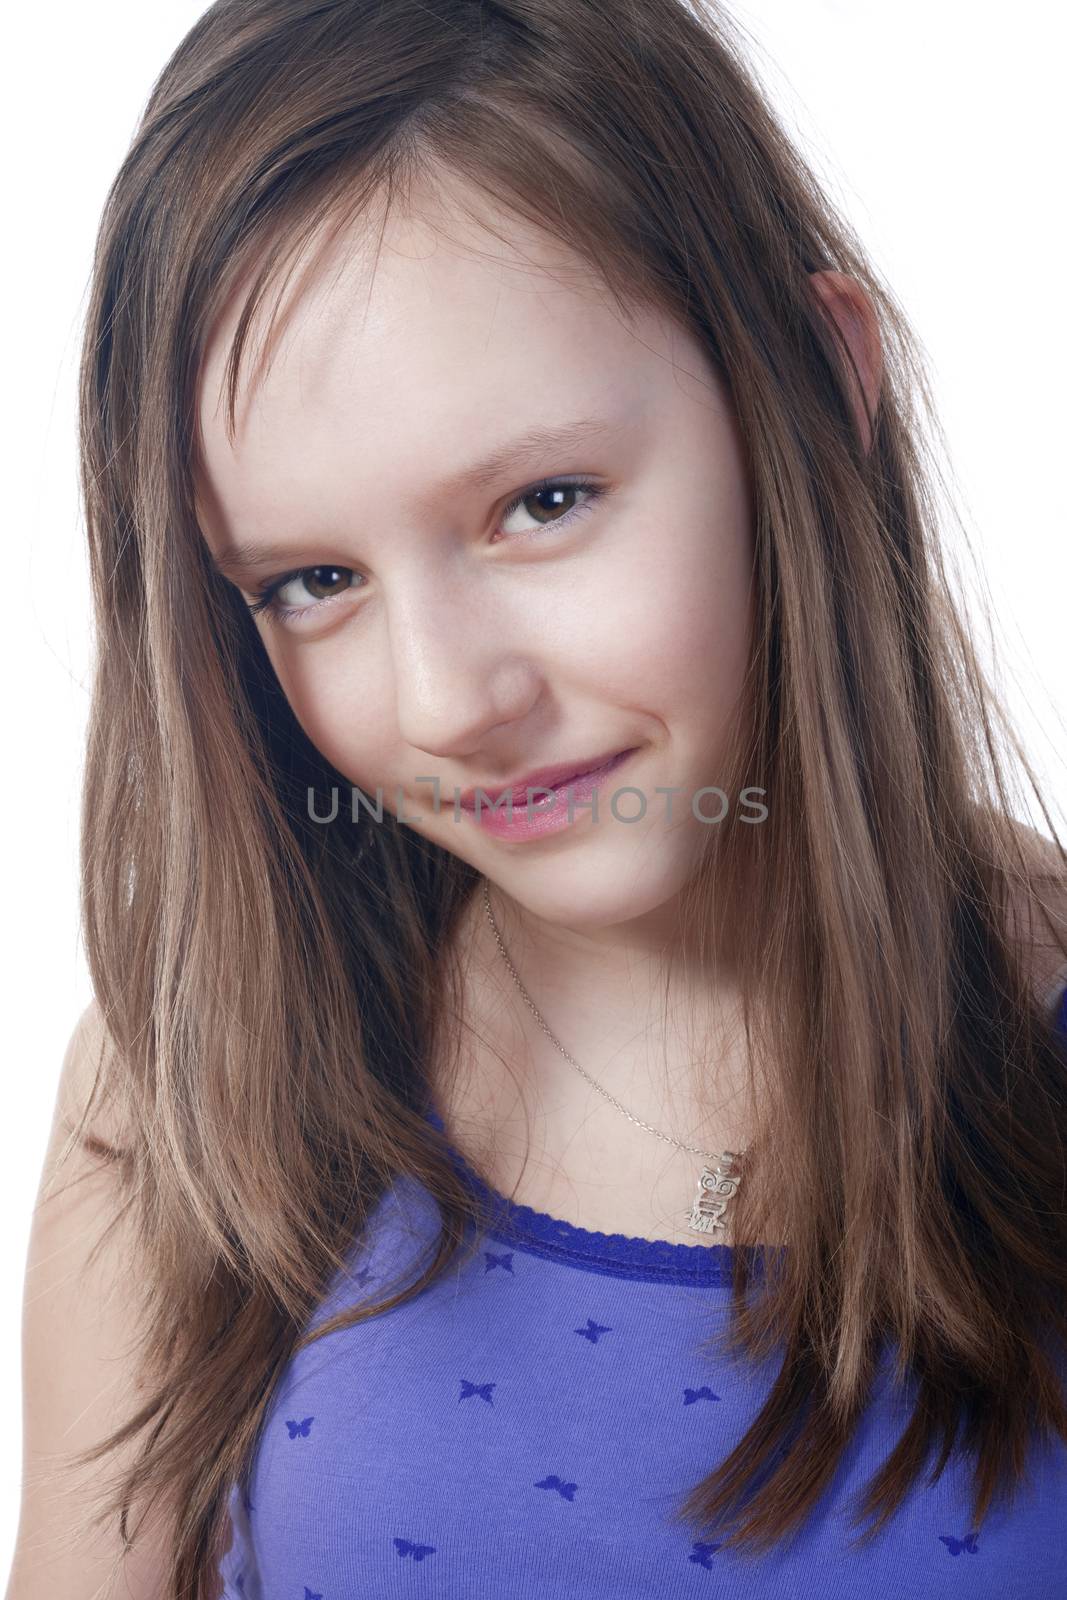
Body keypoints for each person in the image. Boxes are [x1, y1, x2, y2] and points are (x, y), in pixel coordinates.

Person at [8, 1, 1067, 1597]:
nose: (450, 703)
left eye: (541, 503)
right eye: (310, 581)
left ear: (820, 382)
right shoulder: (194, 1099)